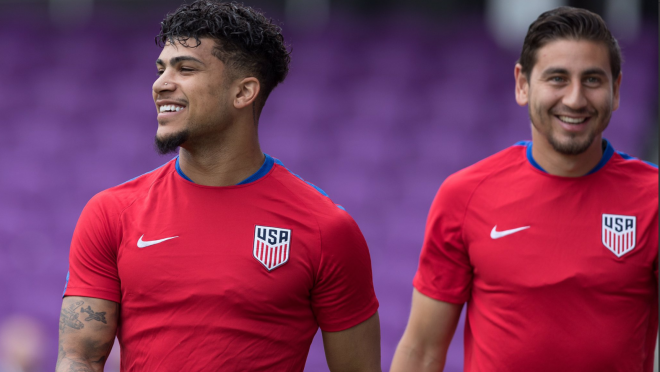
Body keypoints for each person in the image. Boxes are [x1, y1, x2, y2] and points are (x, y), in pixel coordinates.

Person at [56, 1, 381, 371]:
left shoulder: (327, 229)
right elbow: (78, 358)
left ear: (243, 93)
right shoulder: (110, 213)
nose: (161, 84)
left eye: (186, 69)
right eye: (161, 69)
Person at [391, 6, 657, 372]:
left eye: (593, 80)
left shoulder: (653, 198)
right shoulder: (465, 196)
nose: (576, 99)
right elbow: (421, 352)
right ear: (522, 84)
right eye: (557, 78)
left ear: (616, 90)